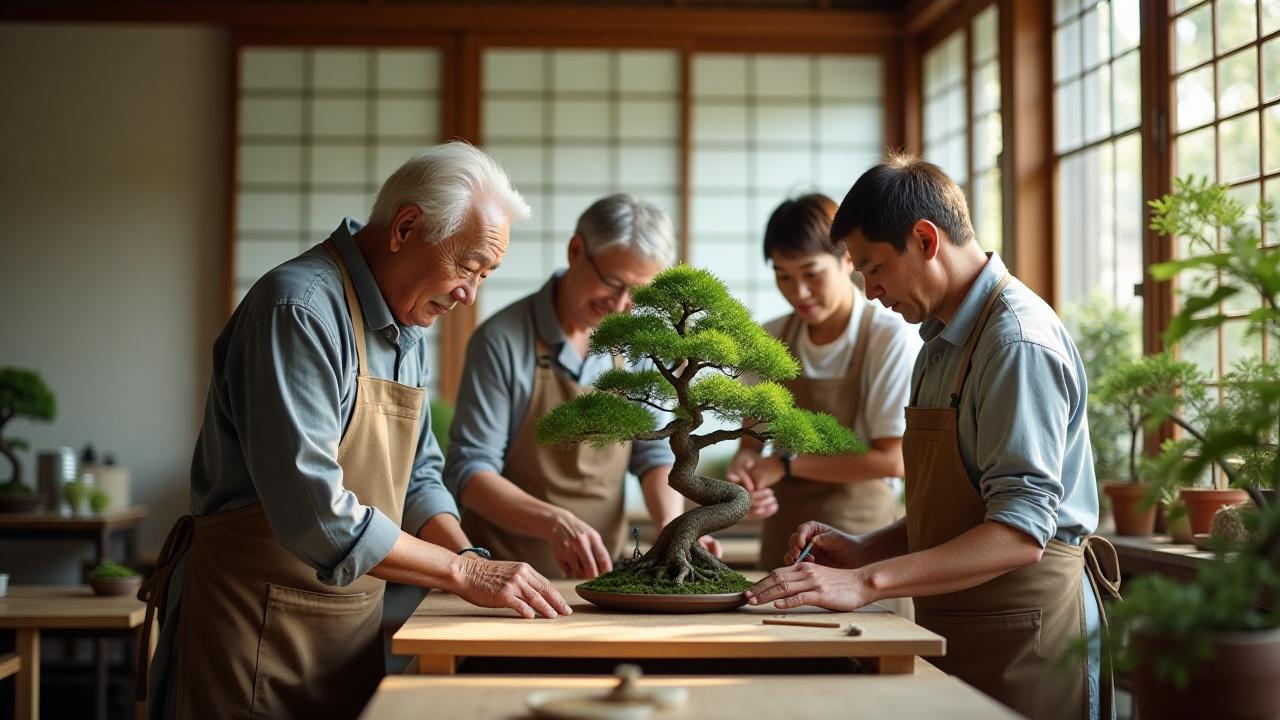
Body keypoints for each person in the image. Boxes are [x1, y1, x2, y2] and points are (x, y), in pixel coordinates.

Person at [139, 142, 571, 720]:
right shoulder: (297, 310)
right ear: (406, 228)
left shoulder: (404, 322)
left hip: (347, 629)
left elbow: (418, 478)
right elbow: (314, 511)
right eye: (468, 267)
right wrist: (465, 572)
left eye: (485, 275)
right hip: (253, 628)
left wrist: (466, 555)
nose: (471, 295)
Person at [745, 154, 1121, 720]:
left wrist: (867, 579)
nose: (870, 290)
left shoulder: (1016, 342)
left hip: (1028, 631)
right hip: (954, 620)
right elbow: (952, 506)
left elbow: (1020, 533)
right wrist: (864, 548)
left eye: (873, 268)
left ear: (924, 239)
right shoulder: (939, 341)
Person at [445, 193, 719, 580]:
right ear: (576, 250)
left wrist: (673, 527)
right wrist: (555, 522)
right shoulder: (502, 340)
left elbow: (654, 455)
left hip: (603, 570)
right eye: (613, 283)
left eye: (638, 293)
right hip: (502, 572)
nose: (622, 304)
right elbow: (470, 472)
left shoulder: (639, 344)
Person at [724, 194, 920, 594]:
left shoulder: (886, 337)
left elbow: (892, 458)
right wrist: (746, 476)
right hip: (783, 539)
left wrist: (786, 466)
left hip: (864, 548)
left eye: (812, 274)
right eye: (783, 276)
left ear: (848, 260)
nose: (799, 291)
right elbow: (750, 441)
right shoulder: (770, 338)